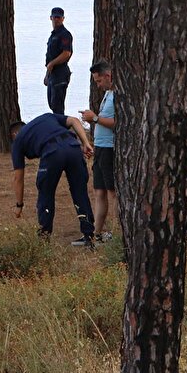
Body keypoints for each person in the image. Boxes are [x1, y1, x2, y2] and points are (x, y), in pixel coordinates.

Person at [10, 112, 97, 248]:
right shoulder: (46, 117)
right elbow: (74, 120)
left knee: (46, 194)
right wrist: (85, 143)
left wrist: (19, 205)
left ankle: (44, 239)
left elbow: (18, 178)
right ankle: (89, 236)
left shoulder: (18, 141)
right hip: (73, 147)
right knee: (80, 192)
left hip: (52, 153)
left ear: (14, 135)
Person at [80, 61, 116, 242]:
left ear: (108, 76)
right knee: (99, 191)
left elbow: (118, 123)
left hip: (111, 148)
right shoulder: (107, 94)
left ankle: (119, 232)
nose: (98, 85)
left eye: (98, 80)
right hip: (101, 148)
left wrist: (94, 118)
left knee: (112, 191)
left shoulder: (118, 95)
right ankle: (97, 232)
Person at [44, 7, 74, 114]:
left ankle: (61, 129)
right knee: (52, 104)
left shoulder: (65, 34)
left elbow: (66, 53)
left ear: (63, 19)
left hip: (61, 73)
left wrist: (52, 63)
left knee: (58, 107)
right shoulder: (53, 35)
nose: (56, 19)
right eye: (54, 17)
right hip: (52, 74)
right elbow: (50, 58)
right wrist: (47, 74)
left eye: (59, 17)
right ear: (50, 18)